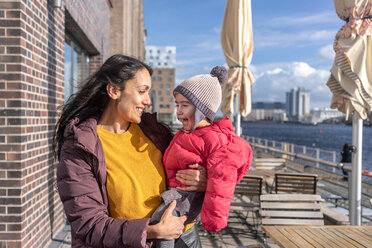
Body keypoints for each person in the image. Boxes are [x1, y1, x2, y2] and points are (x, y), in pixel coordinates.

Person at [53, 54, 207, 248]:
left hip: (181, 240)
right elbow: (88, 225)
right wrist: (152, 231)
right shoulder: (80, 148)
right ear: (114, 91)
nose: (148, 101)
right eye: (142, 91)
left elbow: (187, 169)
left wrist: (202, 178)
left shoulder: (155, 134)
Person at [151, 66, 253, 248]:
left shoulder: (214, 139)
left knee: (162, 220)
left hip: (189, 197)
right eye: (177, 105)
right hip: (179, 193)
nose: (179, 111)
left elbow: (222, 180)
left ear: (202, 109)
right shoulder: (187, 134)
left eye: (185, 105)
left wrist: (213, 219)